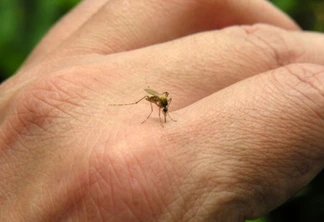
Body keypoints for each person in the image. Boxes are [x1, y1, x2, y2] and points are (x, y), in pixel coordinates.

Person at [0, 0, 323, 221]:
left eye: (164, 105)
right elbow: (154, 99)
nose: (163, 107)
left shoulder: (165, 101)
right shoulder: (154, 101)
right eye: (163, 105)